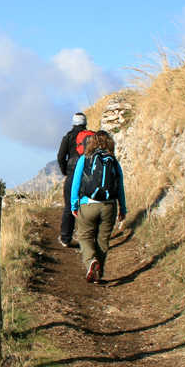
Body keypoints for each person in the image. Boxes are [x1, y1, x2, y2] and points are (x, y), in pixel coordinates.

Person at [70, 130, 126, 283]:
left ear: (91, 142)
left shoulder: (84, 159)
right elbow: (120, 186)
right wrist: (123, 208)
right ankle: (98, 274)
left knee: (84, 236)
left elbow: (75, 183)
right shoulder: (113, 161)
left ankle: (91, 262)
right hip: (109, 206)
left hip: (87, 204)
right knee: (102, 241)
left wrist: (74, 204)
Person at [56, 113, 94, 247]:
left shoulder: (68, 137)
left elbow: (60, 157)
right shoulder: (92, 136)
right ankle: (88, 238)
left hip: (72, 175)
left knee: (69, 207)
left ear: (73, 123)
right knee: (88, 206)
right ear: (85, 123)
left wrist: (65, 171)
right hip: (89, 176)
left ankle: (65, 238)